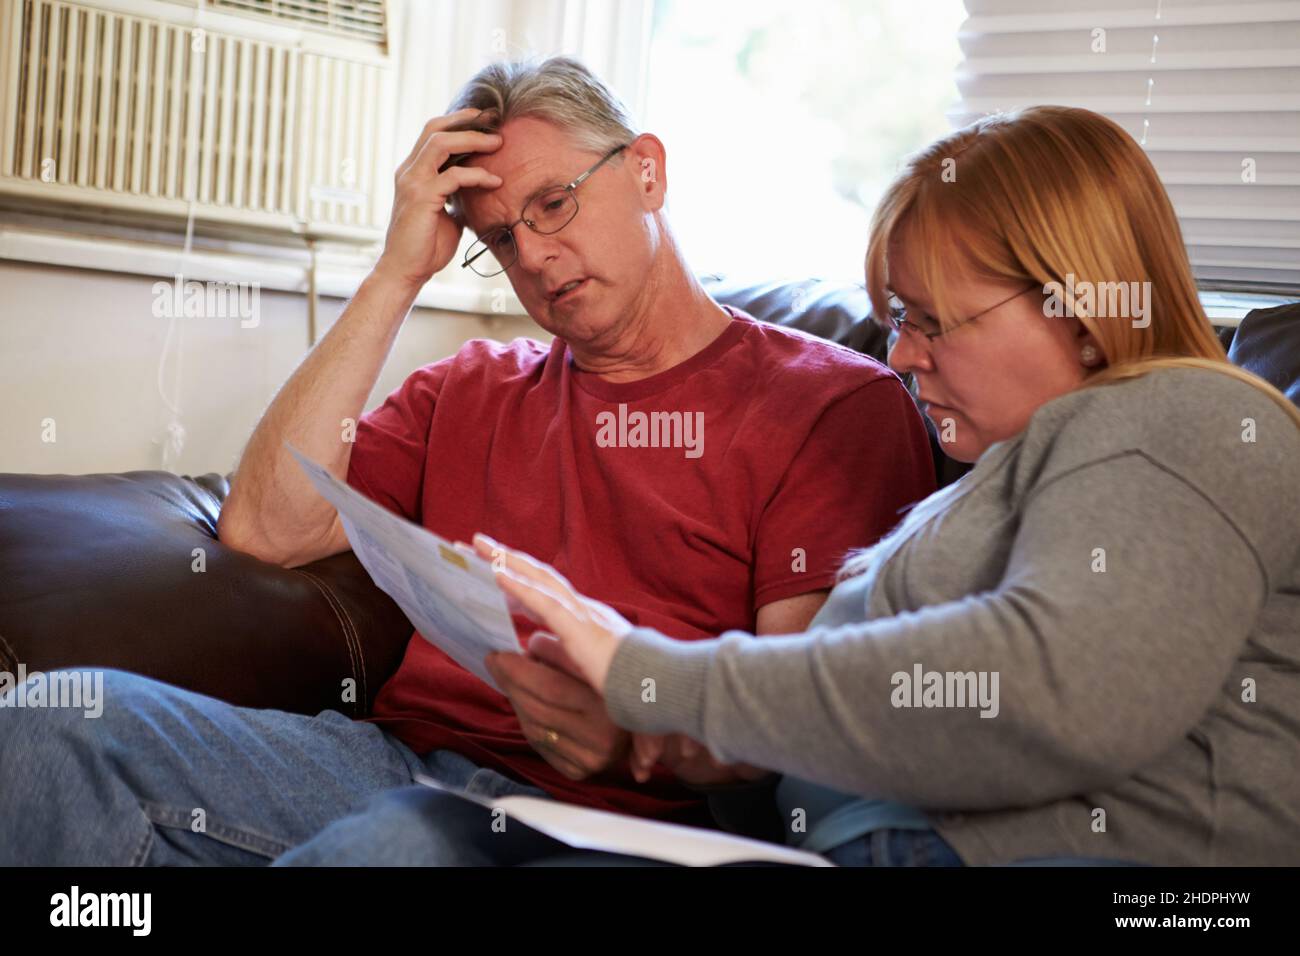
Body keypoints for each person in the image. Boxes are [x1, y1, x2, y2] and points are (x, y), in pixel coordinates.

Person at [0, 57, 935, 865]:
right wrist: (398, 270)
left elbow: (802, 709)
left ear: (646, 171)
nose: (533, 255)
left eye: (553, 204)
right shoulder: (472, 387)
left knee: (392, 847)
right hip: (394, 765)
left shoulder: (832, 403)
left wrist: (634, 728)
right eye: (498, 238)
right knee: (52, 722)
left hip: (618, 816)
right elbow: (265, 530)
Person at [373, 104, 1300, 867]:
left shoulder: (1184, 416)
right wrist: (672, 742)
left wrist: (649, 675)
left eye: (935, 320)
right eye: (899, 318)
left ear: (1082, 310)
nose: (900, 353)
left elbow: (1059, 685)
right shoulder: (975, 495)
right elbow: (845, 737)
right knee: (405, 841)